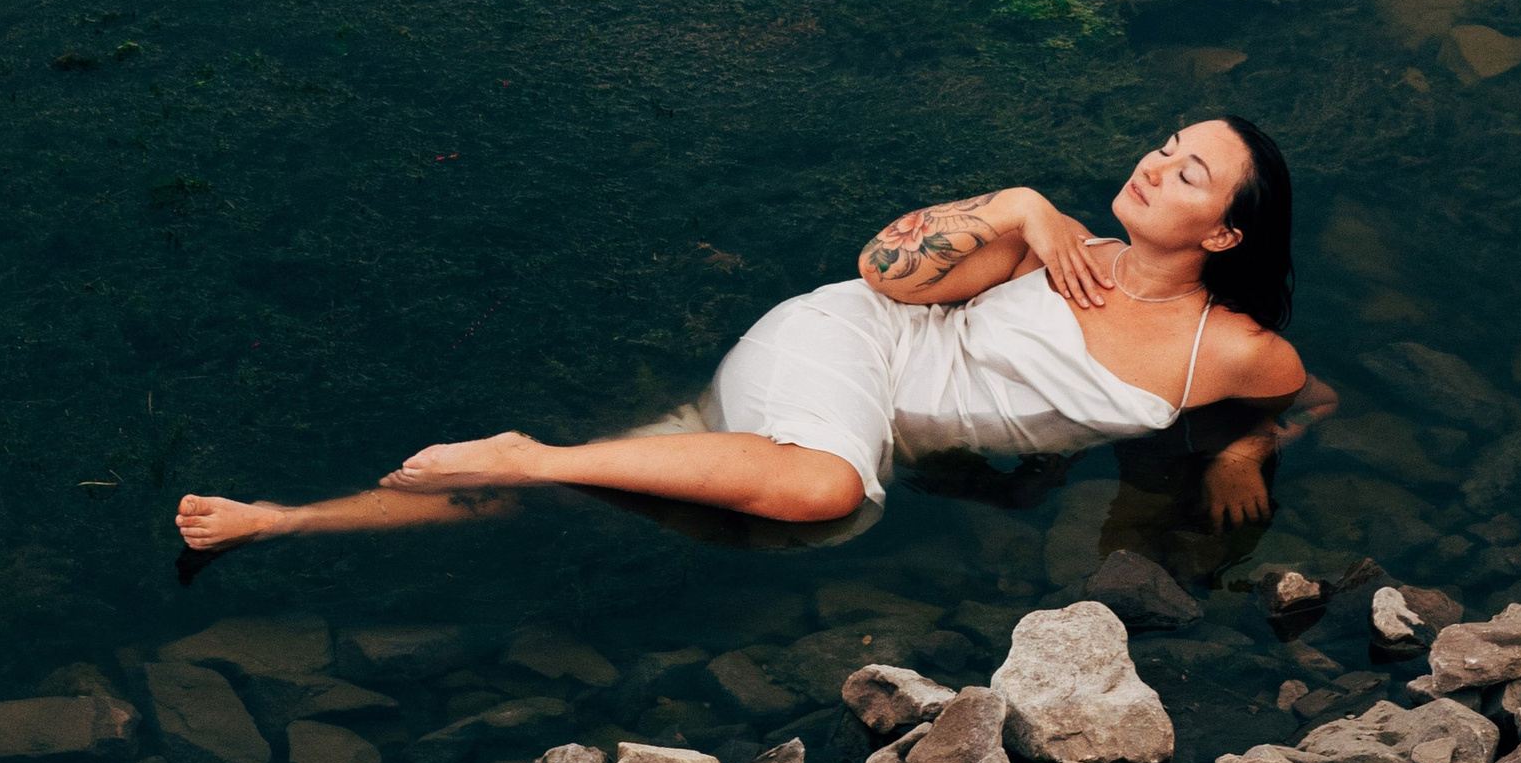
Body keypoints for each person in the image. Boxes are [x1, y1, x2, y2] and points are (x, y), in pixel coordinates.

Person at [174, 116, 1307, 554]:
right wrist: (1015, 204)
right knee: (825, 491)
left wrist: (1242, 452)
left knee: (605, 488)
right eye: (1165, 145)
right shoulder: (1043, 243)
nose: (1154, 165)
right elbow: (878, 270)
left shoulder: (1232, 350)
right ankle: (532, 452)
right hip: (840, 349)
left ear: (1224, 233)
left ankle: (285, 518)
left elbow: (1299, 400)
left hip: (855, 422)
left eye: (1188, 173)